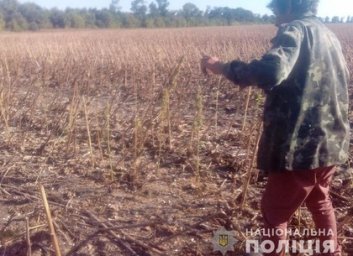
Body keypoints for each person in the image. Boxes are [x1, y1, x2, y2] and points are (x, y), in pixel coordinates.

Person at [201, 0, 350, 255]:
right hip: (331, 145)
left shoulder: (295, 29)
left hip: (299, 150)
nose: (274, 18)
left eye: (275, 10)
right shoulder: (330, 37)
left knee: (274, 214)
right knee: (320, 201)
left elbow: (273, 71)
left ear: (289, 7)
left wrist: (223, 67)